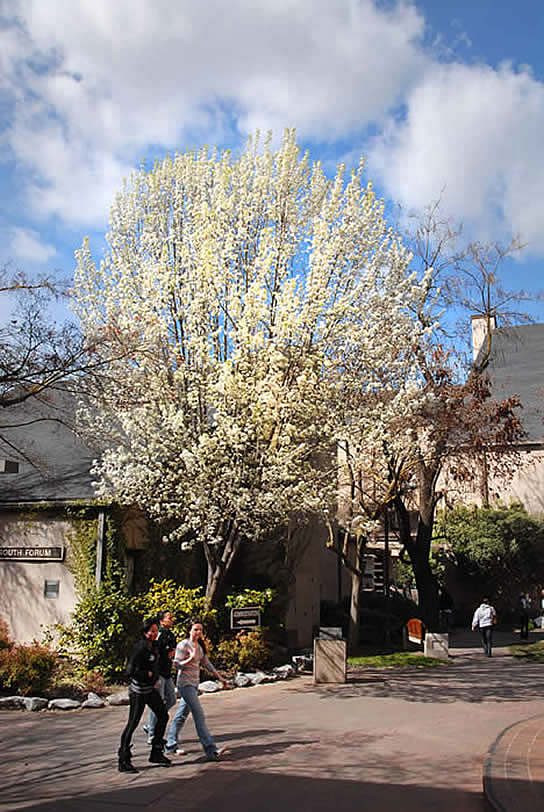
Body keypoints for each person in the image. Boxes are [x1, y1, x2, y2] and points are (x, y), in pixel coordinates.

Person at [165, 618, 227, 760]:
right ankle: (211, 750)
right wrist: (190, 658)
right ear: (189, 630)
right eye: (195, 629)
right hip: (185, 685)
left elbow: (206, 663)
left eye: (200, 630)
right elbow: (177, 665)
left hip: (194, 684)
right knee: (199, 715)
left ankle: (170, 744)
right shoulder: (183, 645)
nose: (198, 632)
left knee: (181, 716)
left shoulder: (199, 646)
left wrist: (220, 678)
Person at [118, 617, 171, 773]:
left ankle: (156, 752)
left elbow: (160, 660)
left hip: (150, 690)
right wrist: (146, 675)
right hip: (138, 691)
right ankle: (123, 759)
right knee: (132, 723)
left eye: (156, 631)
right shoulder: (140, 647)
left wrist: (156, 676)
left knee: (163, 716)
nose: (154, 634)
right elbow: (130, 671)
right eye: (151, 631)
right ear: (145, 632)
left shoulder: (154, 646)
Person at [143, 610, 177, 745]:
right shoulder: (159, 635)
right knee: (158, 703)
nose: (172, 619)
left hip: (167, 673)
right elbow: (156, 654)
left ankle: (150, 724)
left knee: (172, 700)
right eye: (169, 618)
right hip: (159, 674)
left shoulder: (171, 635)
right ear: (162, 621)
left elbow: (172, 651)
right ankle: (152, 734)